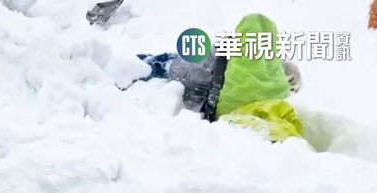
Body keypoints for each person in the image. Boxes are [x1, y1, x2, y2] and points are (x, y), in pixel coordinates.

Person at [131, 13, 305, 144]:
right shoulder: (267, 87)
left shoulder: (237, 59)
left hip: (200, 69)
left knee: (165, 63)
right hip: (197, 77)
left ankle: (134, 65)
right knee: (162, 65)